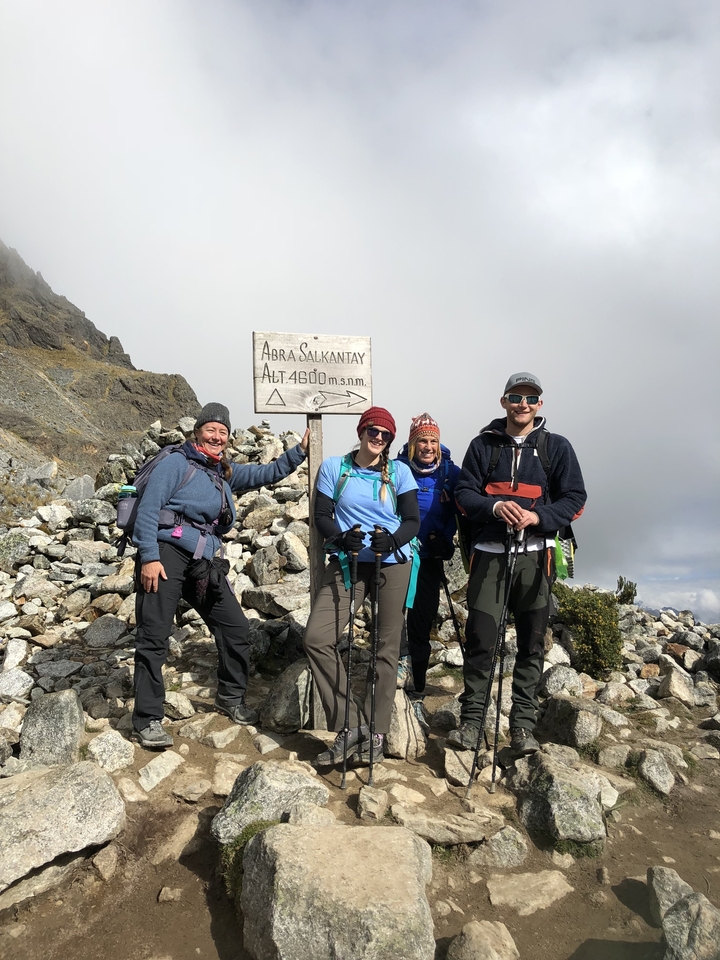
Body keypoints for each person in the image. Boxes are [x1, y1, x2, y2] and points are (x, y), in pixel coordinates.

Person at [131, 402, 309, 749]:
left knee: (235, 627)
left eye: (223, 432)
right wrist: (149, 558)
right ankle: (147, 719)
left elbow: (265, 473)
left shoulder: (222, 471)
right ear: (197, 431)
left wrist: (299, 452)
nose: (217, 436)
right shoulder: (175, 464)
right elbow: (149, 510)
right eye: (211, 429)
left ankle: (230, 697)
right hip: (166, 555)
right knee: (154, 636)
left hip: (203, 561)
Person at [449, 373, 586, 756]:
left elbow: (576, 497)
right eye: (515, 397)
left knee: (530, 644)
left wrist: (537, 517)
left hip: (537, 556)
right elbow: (463, 493)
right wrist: (494, 506)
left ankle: (522, 728)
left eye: (530, 398)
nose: (522, 404)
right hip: (490, 555)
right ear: (503, 401)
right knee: (480, 640)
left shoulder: (556, 447)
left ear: (540, 404)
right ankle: (472, 724)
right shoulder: (483, 446)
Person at [303, 406, 420, 767]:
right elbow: (321, 515)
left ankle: (378, 732)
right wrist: (340, 538)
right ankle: (350, 724)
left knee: (385, 649)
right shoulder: (335, 468)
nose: (379, 438)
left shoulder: (399, 471)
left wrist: (394, 540)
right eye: (373, 431)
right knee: (317, 638)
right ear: (362, 430)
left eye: (386, 435)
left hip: (393, 563)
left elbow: (413, 519)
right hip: (348, 563)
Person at [395, 413, 460, 727]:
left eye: (433, 440)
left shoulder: (449, 474)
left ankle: (417, 691)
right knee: (392, 620)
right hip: (398, 556)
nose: (428, 446)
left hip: (431, 560)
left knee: (421, 625)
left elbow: (460, 506)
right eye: (422, 440)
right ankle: (390, 685)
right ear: (411, 443)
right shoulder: (395, 470)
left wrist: (445, 540)